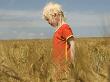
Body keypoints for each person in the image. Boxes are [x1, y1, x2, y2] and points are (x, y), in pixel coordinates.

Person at [42, 2, 75, 82]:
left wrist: (72, 62)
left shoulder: (65, 27)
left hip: (65, 65)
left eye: (48, 19)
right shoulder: (57, 30)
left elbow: (72, 43)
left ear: (55, 15)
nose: (48, 22)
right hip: (57, 65)